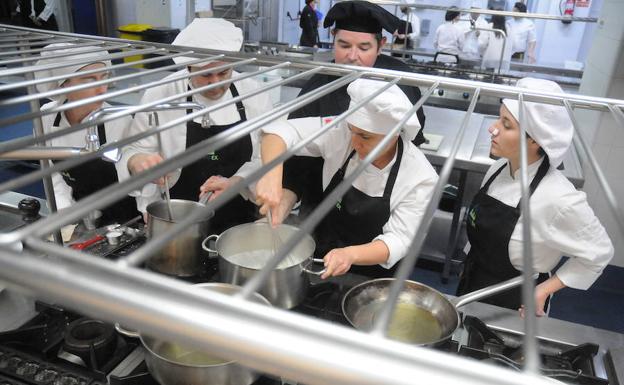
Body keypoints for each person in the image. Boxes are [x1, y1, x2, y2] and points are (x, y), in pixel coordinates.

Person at [456, 77, 613, 316]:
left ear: (534, 140)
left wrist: (544, 290)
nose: (493, 128)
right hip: (473, 284)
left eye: (506, 124)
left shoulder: (558, 197)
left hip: (514, 301)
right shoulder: (498, 169)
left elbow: (599, 252)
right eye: (499, 118)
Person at [256, 79, 438, 278]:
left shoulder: (420, 176)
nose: (354, 142)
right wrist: (271, 175)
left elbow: (400, 240)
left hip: (371, 275)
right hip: (321, 253)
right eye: (352, 130)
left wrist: (350, 255)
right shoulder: (343, 133)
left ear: (394, 134)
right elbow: (280, 131)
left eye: (365, 137)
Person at [119, 18, 273, 233]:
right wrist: (138, 163)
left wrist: (236, 182)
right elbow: (134, 151)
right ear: (188, 66)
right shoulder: (160, 94)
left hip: (239, 215)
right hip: (176, 216)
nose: (216, 83)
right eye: (206, 75)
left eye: (224, 73)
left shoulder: (253, 93)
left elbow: (265, 157)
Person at [282, 0, 428, 221]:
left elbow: (411, 144)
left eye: (363, 47)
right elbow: (296, 154)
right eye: (344, 45)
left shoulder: (401, 82)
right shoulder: (319, 85)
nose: (352, 56)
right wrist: (285, 198)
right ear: (333, 39)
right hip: (321, 205)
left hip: (380, 204)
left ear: (381, 45)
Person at [34, 43, 139, 224]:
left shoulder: (118, 120)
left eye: (104, 77)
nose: (102, 89)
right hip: (77, 213)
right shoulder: (46, 118)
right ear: (63, 84)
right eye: (89, 81)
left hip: (123, 216)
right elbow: (52, 172)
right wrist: (64, 211)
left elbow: (135, 178)